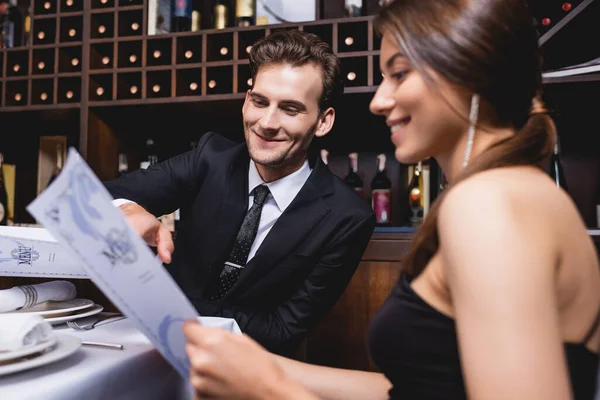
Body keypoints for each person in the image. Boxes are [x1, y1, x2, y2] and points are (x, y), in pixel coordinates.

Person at [181, 0, 600, 399]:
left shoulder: (490, 204)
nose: (379, 101)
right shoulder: (512, 190)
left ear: (469, 74)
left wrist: (273, 392)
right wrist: (265, 368)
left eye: (398, 74)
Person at [104, 30, 375, 354]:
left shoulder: (348, 217)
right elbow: (89, 196)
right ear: (247, 99)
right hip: (151, 353)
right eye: (259, 102)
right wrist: (124, 209)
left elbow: (283, 329)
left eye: (290, 109)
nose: (266, 122)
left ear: (323, 121)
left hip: (246, 371)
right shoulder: (210, 157)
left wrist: (165, 304)